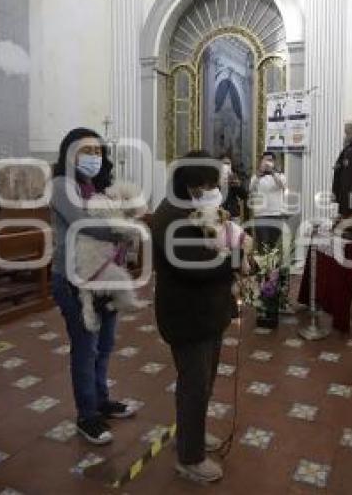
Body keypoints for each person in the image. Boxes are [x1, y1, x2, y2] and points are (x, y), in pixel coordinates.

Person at [151, 150, 252, 484]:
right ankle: (189, 458)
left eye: (214, 183)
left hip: (209, 312)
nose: (213, 189)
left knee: (203, 382)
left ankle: (192, 433)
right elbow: (196, 267)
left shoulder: (194, 208)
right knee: (194, 385)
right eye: (207, 183)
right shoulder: (170, 216)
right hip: (187, 315)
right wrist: (236, 257)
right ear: (189, 183)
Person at [49, 128, 139, 445]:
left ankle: (101, 400)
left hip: (105, 275)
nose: (93, 158)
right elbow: (84, 224)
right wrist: (126, 230)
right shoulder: (62, 186)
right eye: (86, 151)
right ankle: (87, 415)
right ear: (69, 153)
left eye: (98, 152)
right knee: (85, 349)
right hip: (74, 277)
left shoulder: (98, 187)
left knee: (105, 345)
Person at [249, 152, 287, 249]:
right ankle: (263, 264)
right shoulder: (256, 177)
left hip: (276, 214)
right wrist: (259, 175)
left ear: (274, 162)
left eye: (270, 160)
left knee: (274, 246)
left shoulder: (280, 175)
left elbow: (281, 185)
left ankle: (273, 264)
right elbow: (251, 190)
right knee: (263, 245)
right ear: (261, 162)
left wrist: (273, 172)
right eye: (265, 160)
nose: (267, 163)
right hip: (261, 215)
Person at [219, 154, 247, 222]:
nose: (226, 166)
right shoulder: (215, 177)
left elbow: (244, 195)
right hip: (220, 214)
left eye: (228, 163)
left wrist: (238, 185)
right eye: (224, 163)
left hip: (233, 214)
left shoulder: (235, 176)